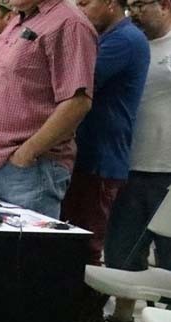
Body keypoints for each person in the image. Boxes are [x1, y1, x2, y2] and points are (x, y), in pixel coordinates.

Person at [0, 0, 97, 219]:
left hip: (28, 170)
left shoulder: (69, 23)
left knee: (28, 251)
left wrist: (27, 153)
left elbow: (77, 102)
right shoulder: (19, 19)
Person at [97, 0, 171, 322]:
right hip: (127, 164)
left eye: (143, 4)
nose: (135, 12)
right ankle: (123, 319)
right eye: (132, 5)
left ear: (166, 6)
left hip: (166, 169)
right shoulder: (127, 44)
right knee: (122, 250)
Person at [63, 0, 149, 267]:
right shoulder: (107, 37)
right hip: (88, 158)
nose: (80, 9)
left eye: (86, 3)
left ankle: (87, 309)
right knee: (71, 244)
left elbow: (75, 82)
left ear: (110, 3)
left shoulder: (125, 39)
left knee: (86, 248)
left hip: (100, 161)